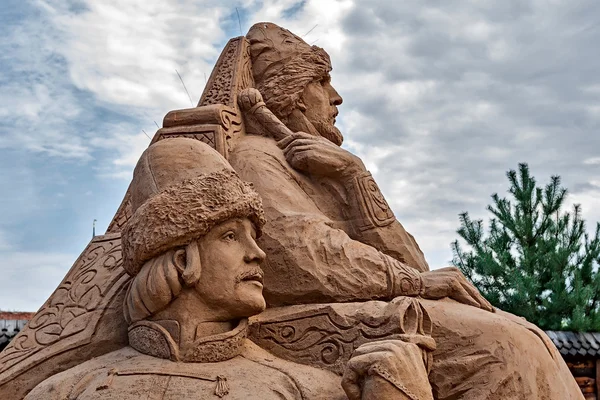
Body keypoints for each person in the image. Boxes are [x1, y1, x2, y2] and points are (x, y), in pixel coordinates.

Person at [228, 22, 583, 399]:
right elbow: (304, 257)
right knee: (502, 347)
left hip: (374, 306)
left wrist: (356, 177)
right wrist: (413, 283)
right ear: (295, 94)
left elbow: (413, 263)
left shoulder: (328, 169)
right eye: (323, 82)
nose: (337, 98)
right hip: (306, 322)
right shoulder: (257, 157)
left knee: (528, 334)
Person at [25, 138, 429, 400]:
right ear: (182, 257)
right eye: (231, 236)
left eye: (254, 237)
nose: (259, 254)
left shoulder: (308, 389)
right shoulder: (64, 390)